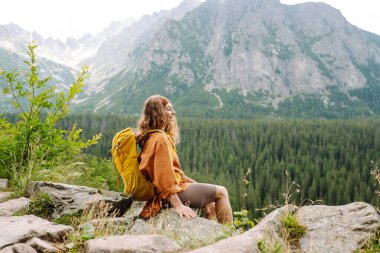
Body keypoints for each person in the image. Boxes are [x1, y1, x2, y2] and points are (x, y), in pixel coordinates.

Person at [134, 95, 233, 224]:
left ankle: (211, 234)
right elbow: (164, 179)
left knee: (212, 202)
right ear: (158, 112)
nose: (173, 112)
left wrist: (199, 187)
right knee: (221, 192)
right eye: (169, 109)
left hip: (172, 189)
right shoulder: (160, 139)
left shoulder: (153, 136)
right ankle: (229, 235)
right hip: (166, 195)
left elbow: (175, 172)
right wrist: (178, 205)